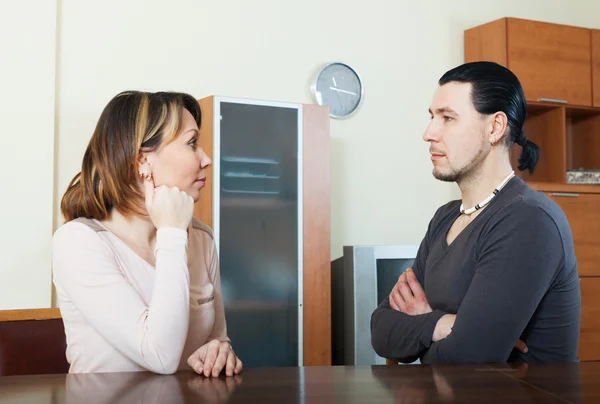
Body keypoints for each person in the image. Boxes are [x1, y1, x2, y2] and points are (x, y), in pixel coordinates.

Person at [370, 61, 581, 364]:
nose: (429, 133)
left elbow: (468, 360)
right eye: (432, 117)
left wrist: (422, 324)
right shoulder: (445, 217)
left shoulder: (527, 220)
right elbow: (381, 330)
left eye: (448, 118)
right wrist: (443, 324)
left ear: (494, 127)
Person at [52, 90, 243, 376]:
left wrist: (219, 351)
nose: (206, 159)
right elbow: (159, 356)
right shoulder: (78, 242)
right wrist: (172, 233)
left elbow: (216, 339)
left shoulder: (202, 238)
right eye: (192, 143)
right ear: (142, 161)